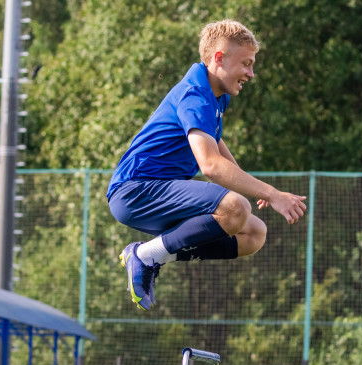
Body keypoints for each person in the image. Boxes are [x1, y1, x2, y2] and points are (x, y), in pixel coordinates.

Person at [106, 19, 307, 311]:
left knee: (253, 234)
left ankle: (152, 254)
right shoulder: (195, 96)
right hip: (135, 192)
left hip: (157, 191)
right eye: (246, 64)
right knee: (235, 208)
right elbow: (210, 165)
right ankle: (146, 255)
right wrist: (273, 194)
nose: (251, 73)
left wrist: (254, 188)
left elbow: (216, 143)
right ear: (219, 59)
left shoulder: (216, 95)